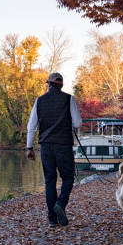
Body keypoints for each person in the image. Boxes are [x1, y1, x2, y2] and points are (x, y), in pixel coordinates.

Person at [26, 72, 82, 227]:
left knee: (50, 181)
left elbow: (31, 127)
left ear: (49, 84)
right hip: (63, 145)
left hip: (46, 147)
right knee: (68, 178)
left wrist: (29, 147)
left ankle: (52, 219)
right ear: (61, 85)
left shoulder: (39, 101)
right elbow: (77, 123)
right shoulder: (69, 99)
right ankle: (60, 204)